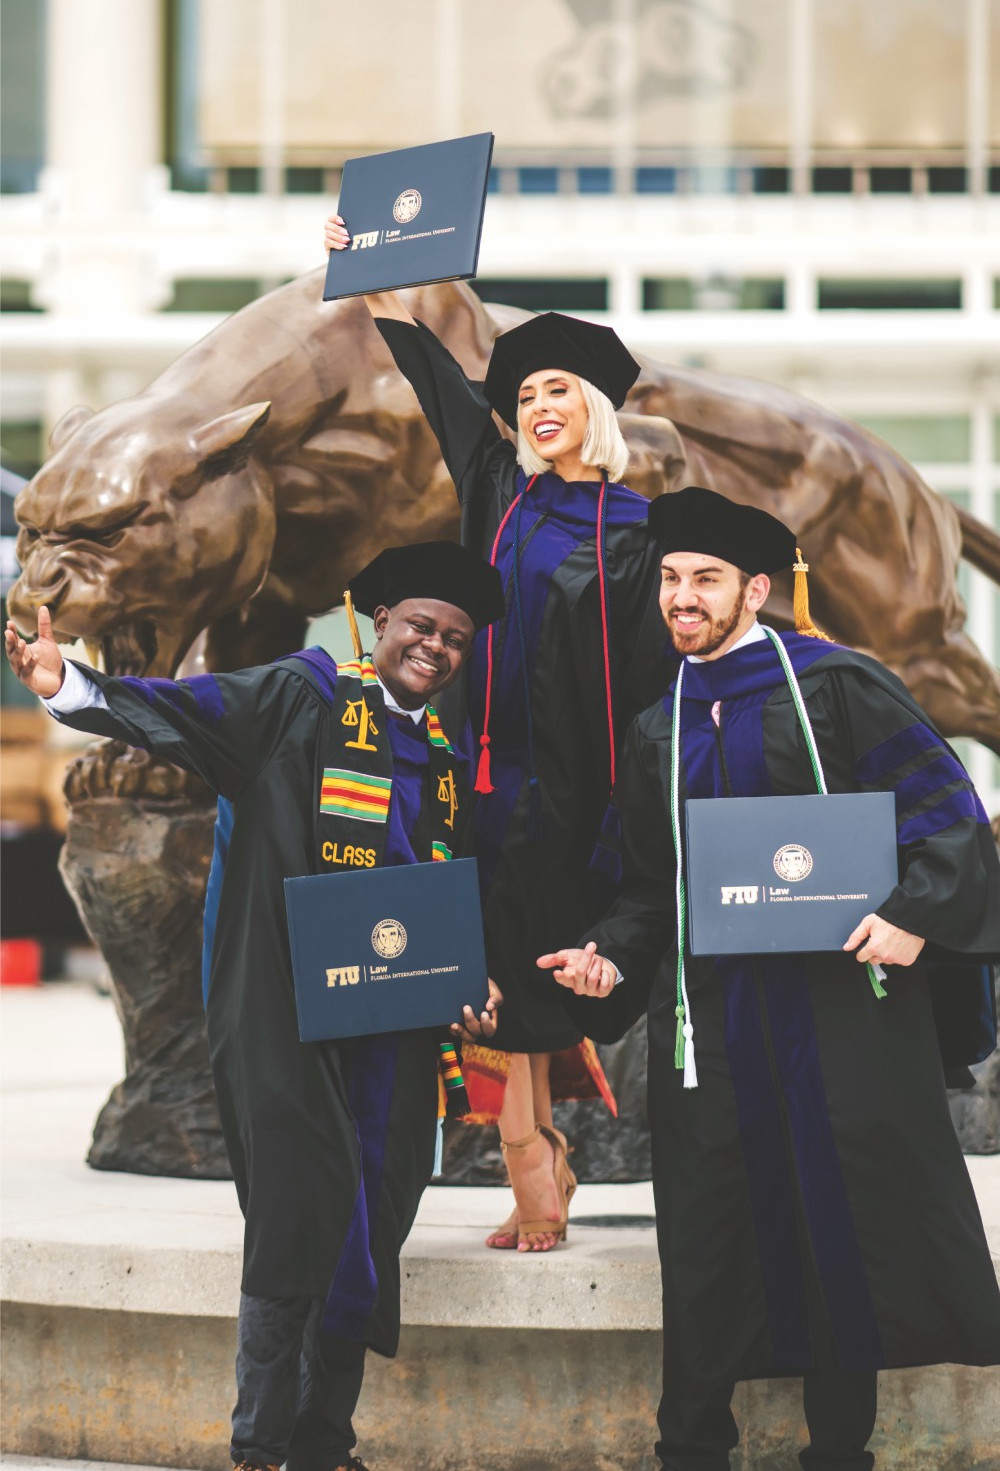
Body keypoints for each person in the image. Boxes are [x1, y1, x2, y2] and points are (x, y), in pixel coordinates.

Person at [5, 540, 505, 1471]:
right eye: (420, 627)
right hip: (286, 1010)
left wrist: (468, 980)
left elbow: (438, 896)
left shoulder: (442, 758)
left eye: (455, 637)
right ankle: (262, 1447)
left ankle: (325, 1446)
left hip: (392, 1025)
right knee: (297, 1210)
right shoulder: (301, 697)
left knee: (374, 1214)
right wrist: (65, 683)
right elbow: (185, 710)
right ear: (379, 624)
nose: (435, 646)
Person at [540, 486, 1000, 1471]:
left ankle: (840, 1450)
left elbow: (946, 816)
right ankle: (691, 1446)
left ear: (757, 588)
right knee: (708, 1231)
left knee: (842, 1215)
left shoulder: (838, 686)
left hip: (839, 1013)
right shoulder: (658, 725)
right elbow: (642, 883)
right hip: (716, 1022)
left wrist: (913, 919)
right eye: (669, 580)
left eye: (703, 579)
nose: (682, 598)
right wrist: (610, 951)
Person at [325, 213, 673, 1251]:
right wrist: (373, 277)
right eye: (524, 395)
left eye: (556, 388)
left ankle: (543, 1153)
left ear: (596, 405)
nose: (536, 405)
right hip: (480, 780)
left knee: (547, 972)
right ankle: (532, 1156)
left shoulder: (644, 532)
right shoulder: (498, 492)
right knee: (486, 976)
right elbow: (436, 378)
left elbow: (652, 680)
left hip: (585, 792)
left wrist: (634, 805)